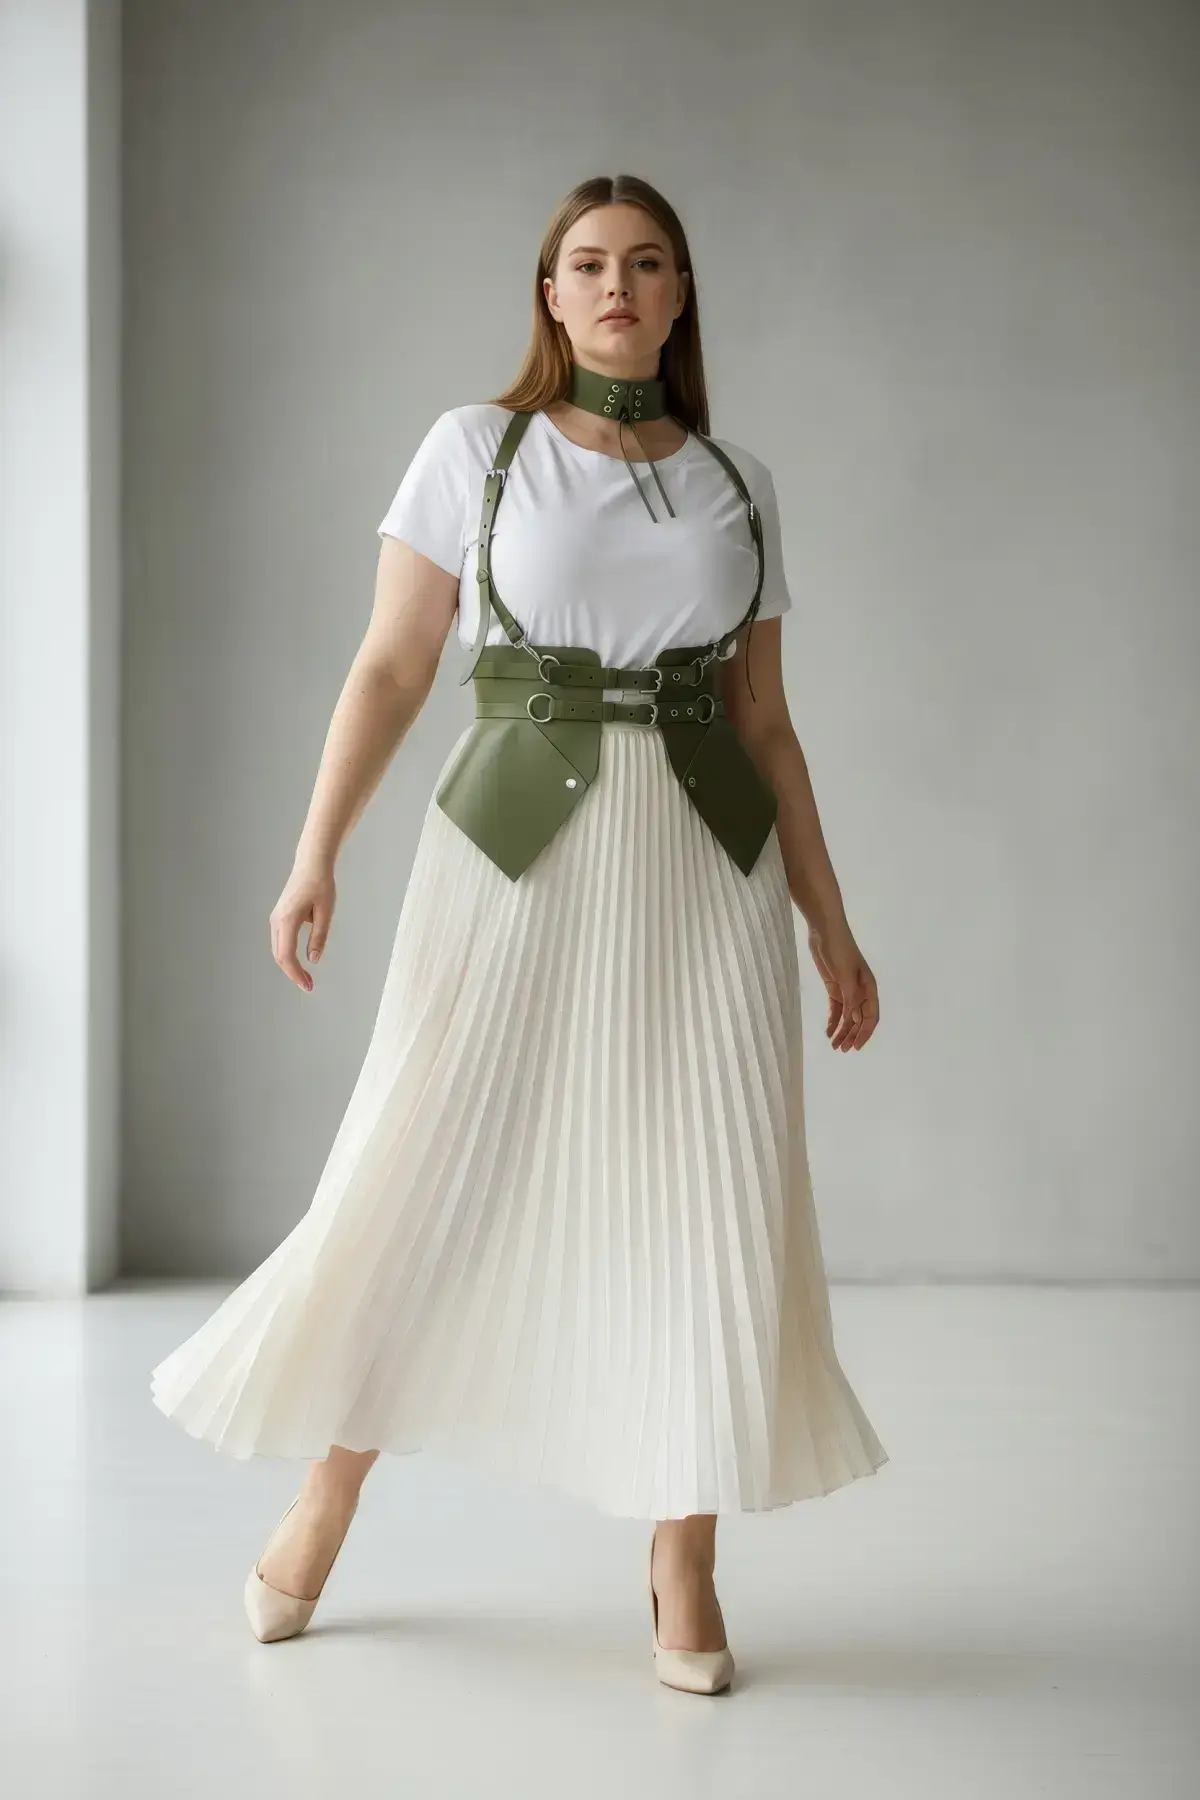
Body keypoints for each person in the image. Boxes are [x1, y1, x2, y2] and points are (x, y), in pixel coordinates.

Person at [150, 171, 888, 1695]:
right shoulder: (473, 452)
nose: (618, 285)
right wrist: (314, 856)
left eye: (648, 263)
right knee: (423, 1170)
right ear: (550, 295)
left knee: (710, 1192)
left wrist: (830, 923)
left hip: (707, 873)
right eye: (589, 263)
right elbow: (392, 666)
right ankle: (326, 1496)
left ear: (680, 297)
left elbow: (764, 720)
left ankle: (683, 1553)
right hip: (508, 858)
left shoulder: (738, 482)